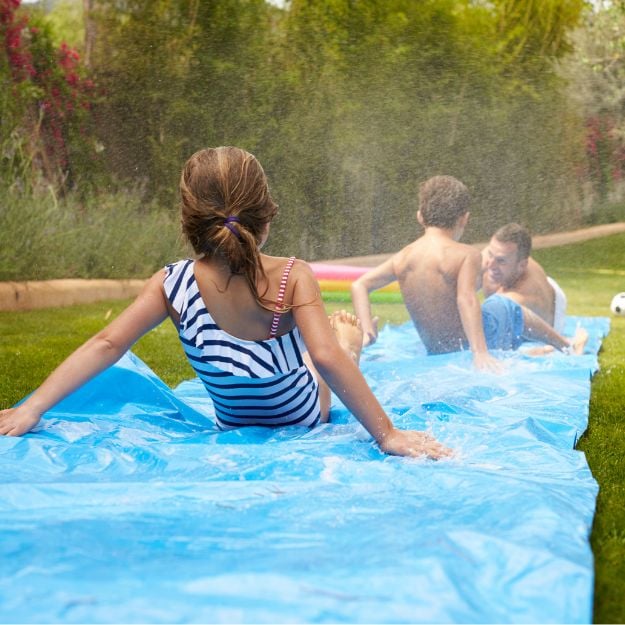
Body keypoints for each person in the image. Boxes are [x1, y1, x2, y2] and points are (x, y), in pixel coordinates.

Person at [0, 147, 450, 460]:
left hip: (240, 418)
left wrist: (33, 407)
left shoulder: (171, 284)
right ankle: (349, 335)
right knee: (331, 351)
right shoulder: (294, 276)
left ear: (187, 219)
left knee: (324, 355)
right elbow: (326, 357)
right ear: (267, 216)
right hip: (304, 412)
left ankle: (346, 336)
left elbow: (106, 344)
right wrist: (387, 434)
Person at [351, 175, 587, 370]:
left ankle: (554, 346)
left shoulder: (403, 257)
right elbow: (466, 300)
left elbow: (359, 285)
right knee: (509, 308)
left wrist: (368, 330)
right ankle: (565, 345)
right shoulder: (466, 254)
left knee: (500, 308)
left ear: (420, 216)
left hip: (436, 349)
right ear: (464, 219)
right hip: (469, 343)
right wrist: (480, 353)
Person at [482, 223, 567, 332]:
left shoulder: (521, 298)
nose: (490, 265)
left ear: (521, 265)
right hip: (523, 281)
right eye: (490, 254)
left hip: (549, 314)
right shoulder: (494, 254)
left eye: (501, 261)